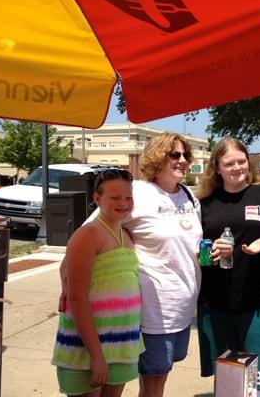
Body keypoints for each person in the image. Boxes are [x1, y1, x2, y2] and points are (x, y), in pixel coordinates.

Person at [60, 132, 202, 397]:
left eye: (185, 155)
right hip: (150, 310)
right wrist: (67, 283)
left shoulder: (189, 197)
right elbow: (89, 232)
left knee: (160, 377)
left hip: (181, 308)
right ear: (158, 157)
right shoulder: (137, 192)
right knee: (153, 381)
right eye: (174, 154)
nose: (182, 160)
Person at [196, 137, 260, 392]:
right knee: (227, 380)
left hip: (259, 303)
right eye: (229, 163)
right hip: (216, 304)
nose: (236, 167)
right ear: (217, 168)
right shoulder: (205, 203)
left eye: (241, 161)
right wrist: (208, 253)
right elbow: (196, 251)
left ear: (249, 162)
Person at [52, 168, 142, 397]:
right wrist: (96, 355)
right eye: (115, 197)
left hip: (121, 344)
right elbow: (77, 298)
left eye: (128, 197)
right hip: (87, 349)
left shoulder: (127, 234)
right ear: (97, 199)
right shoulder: (88, 235)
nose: (123, 203)